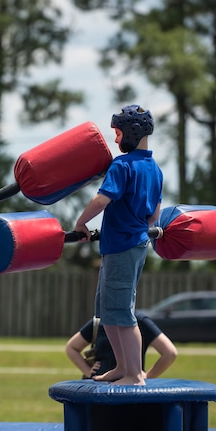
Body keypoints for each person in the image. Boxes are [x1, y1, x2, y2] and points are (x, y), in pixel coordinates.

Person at [74, 104, 163, 386]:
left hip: (122, 246)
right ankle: (122, 367)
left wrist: (81, 222)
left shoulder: (122, 165)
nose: (116, 139)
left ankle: (135, 375)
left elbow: (102, 199)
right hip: (132, 245)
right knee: (108, 311)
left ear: (133, 132)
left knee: (122, 312)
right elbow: (154, 215)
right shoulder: (155, 170)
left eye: (118, 132)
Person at [65, 311, 177, 380]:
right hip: (98, 385)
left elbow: (170, 353)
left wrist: (148, 376)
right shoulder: (100, 321)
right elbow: (71, 347)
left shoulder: (140, 321)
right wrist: (88, 371)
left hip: (128, 387)